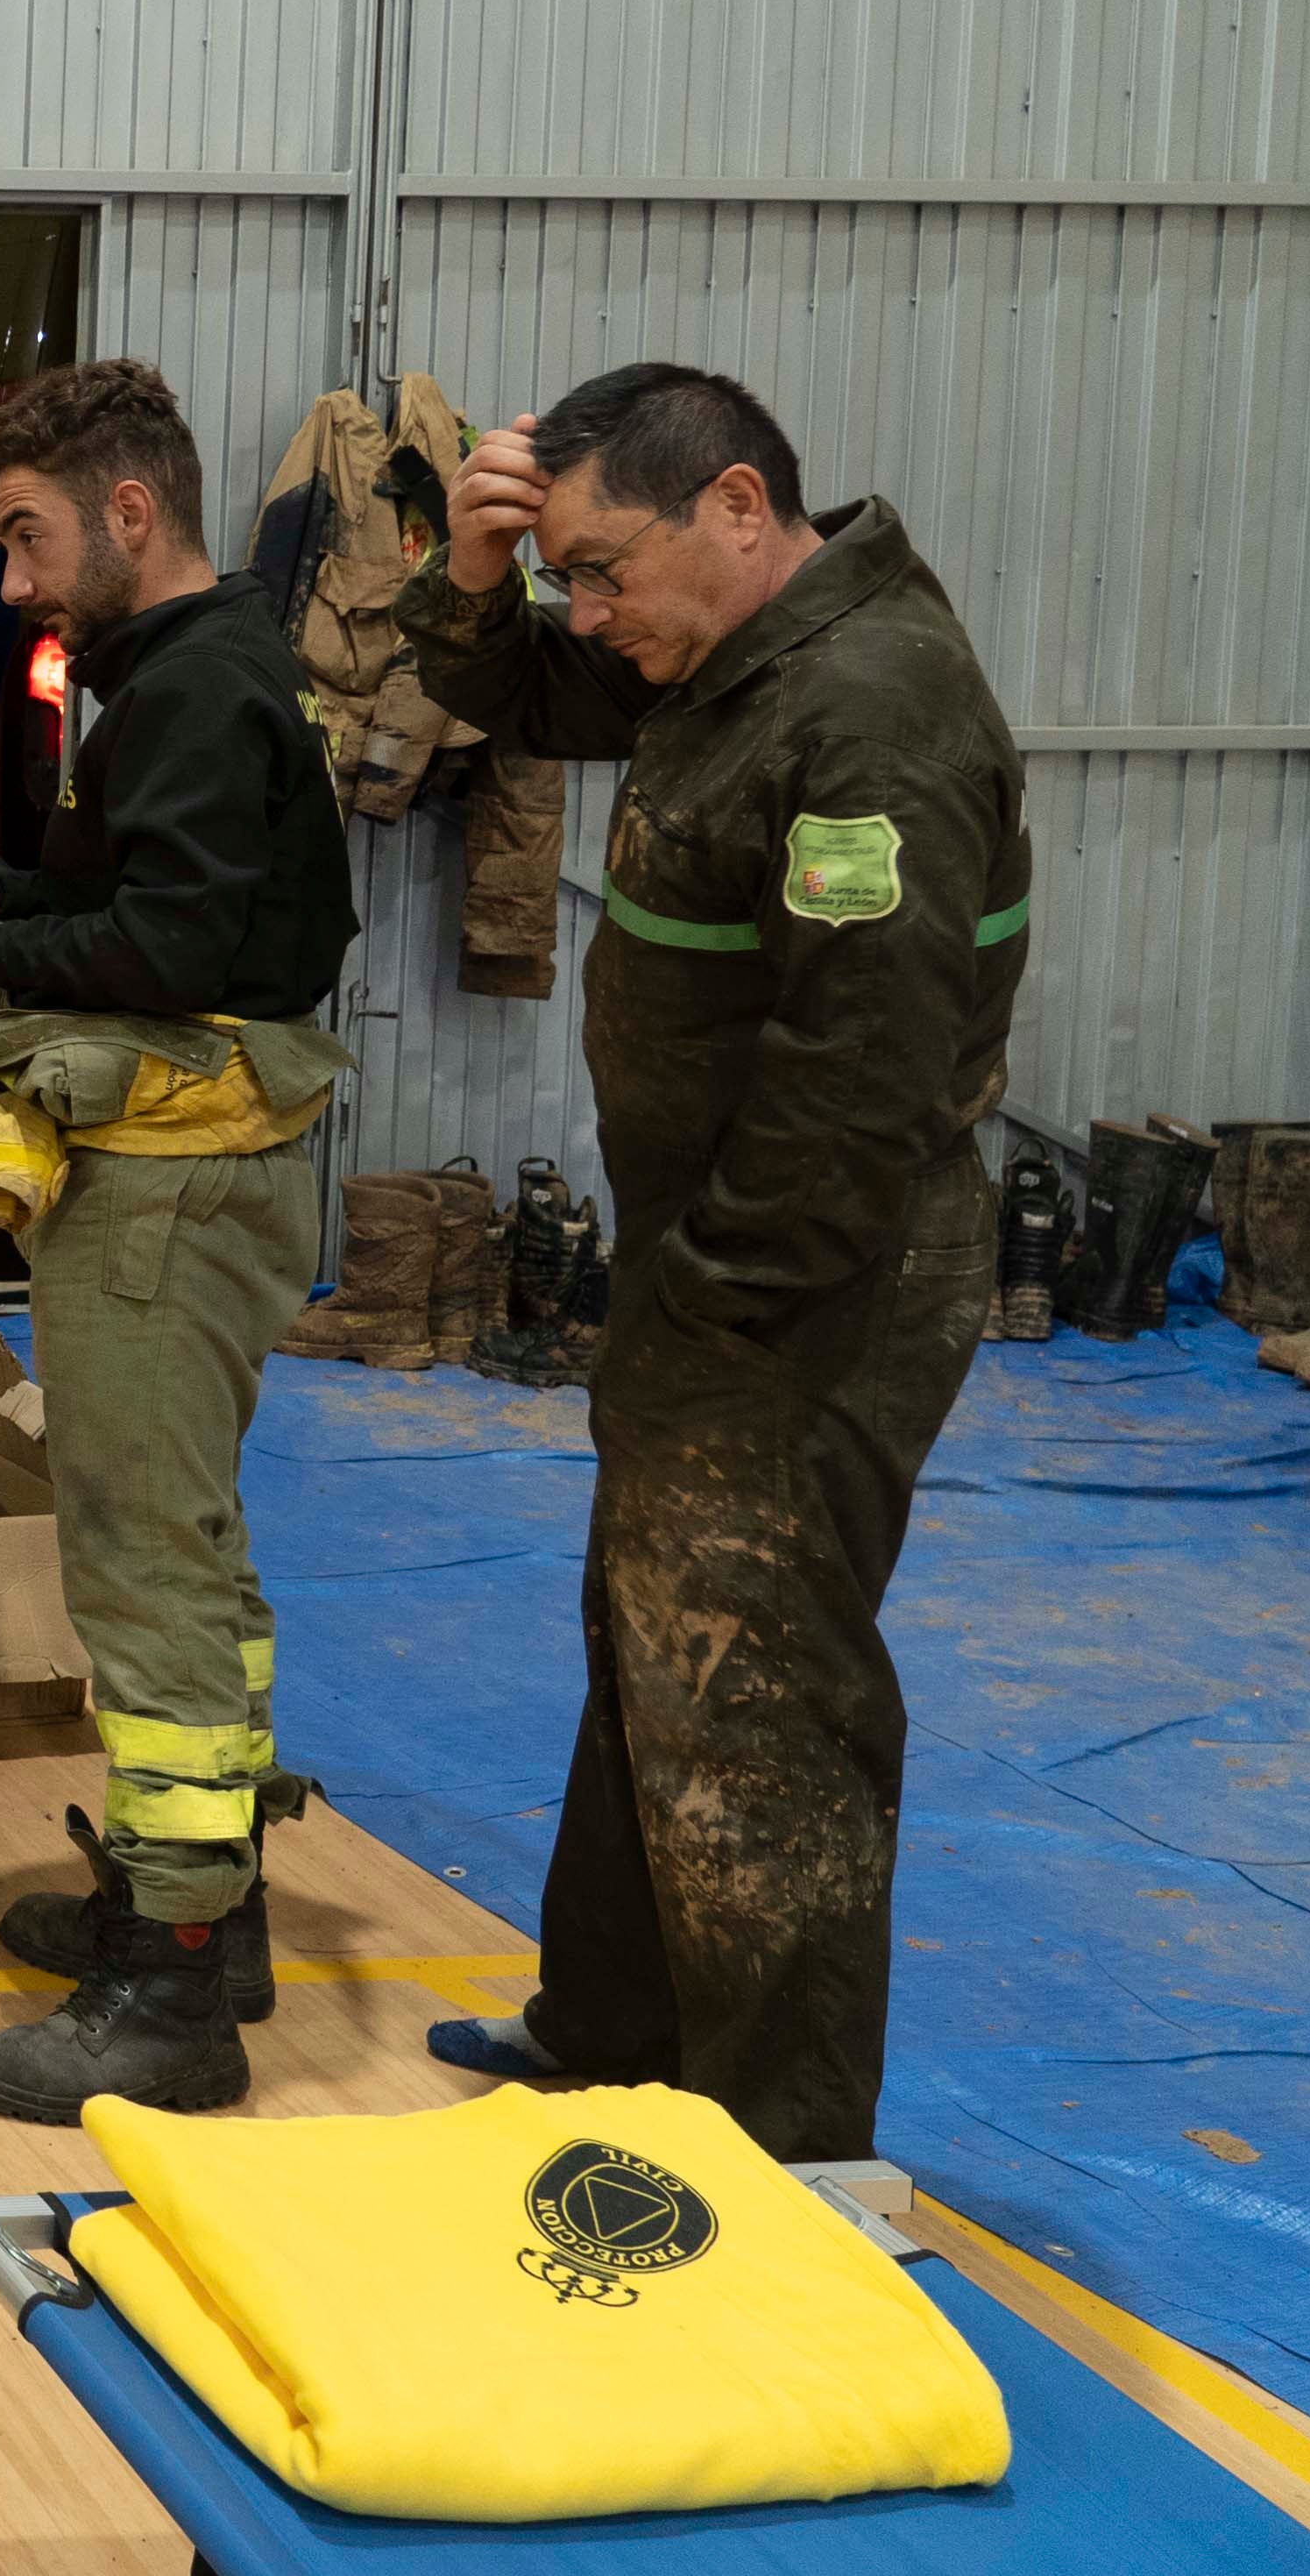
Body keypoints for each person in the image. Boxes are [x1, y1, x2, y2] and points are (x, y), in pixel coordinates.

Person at [393, 365, 1029, 2165]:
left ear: (736, 506)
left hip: (811, 1279)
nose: (587, 613)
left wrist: (709, 1296)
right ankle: (612, 2030)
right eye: (569, 574)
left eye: (602, 568)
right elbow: (505, 684)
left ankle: (781, 2152)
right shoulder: (730, 651)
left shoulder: (869, 712)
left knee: (760, 1705)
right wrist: (476, 559)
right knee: (653, 1643)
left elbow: (861, 1083)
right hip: (723, 1262)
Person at [0, 359, 356, 2122]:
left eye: (28, 536)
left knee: (149, 1570)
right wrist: (14, 896)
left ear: (129, 512)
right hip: (189, 1167)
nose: (9, 580)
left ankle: (170, 1997)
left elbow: (174, 956)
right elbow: (185, 910)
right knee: (192, 1565)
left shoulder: (198, 683)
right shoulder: (181, 674)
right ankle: (196, 1913)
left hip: (171, 1185)